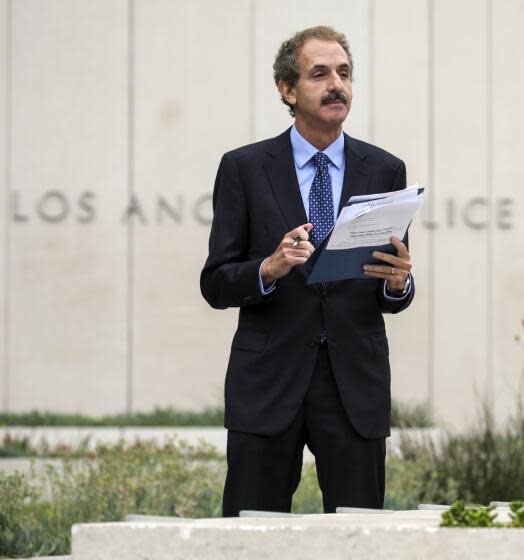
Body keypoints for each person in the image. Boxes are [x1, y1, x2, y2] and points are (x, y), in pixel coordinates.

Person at [200, 25, 414, 516]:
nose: (335, 84)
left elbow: (389, 283)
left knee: (360, 539)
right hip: (268, 384)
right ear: (288, 89)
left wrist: (400, 282)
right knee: (249, 538)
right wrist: (269, 269)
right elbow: (214, 282)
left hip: (353, 386)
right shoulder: (245, 168)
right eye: (319, 74)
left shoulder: (385, 170)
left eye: (343, 73)